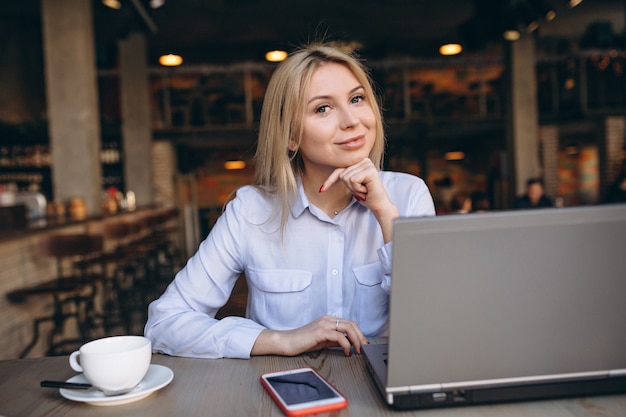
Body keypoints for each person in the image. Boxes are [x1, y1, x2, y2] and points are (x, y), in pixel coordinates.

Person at [144, 43, 436, 359]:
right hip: (279, 391)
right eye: (323, 108)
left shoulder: (408, 196)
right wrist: (282, 340)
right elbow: (165, 323)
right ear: (290, 136)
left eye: (356, 98)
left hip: (378, 398)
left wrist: (386, 214)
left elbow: (437, 321)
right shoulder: (250, 211)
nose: (352, 120)